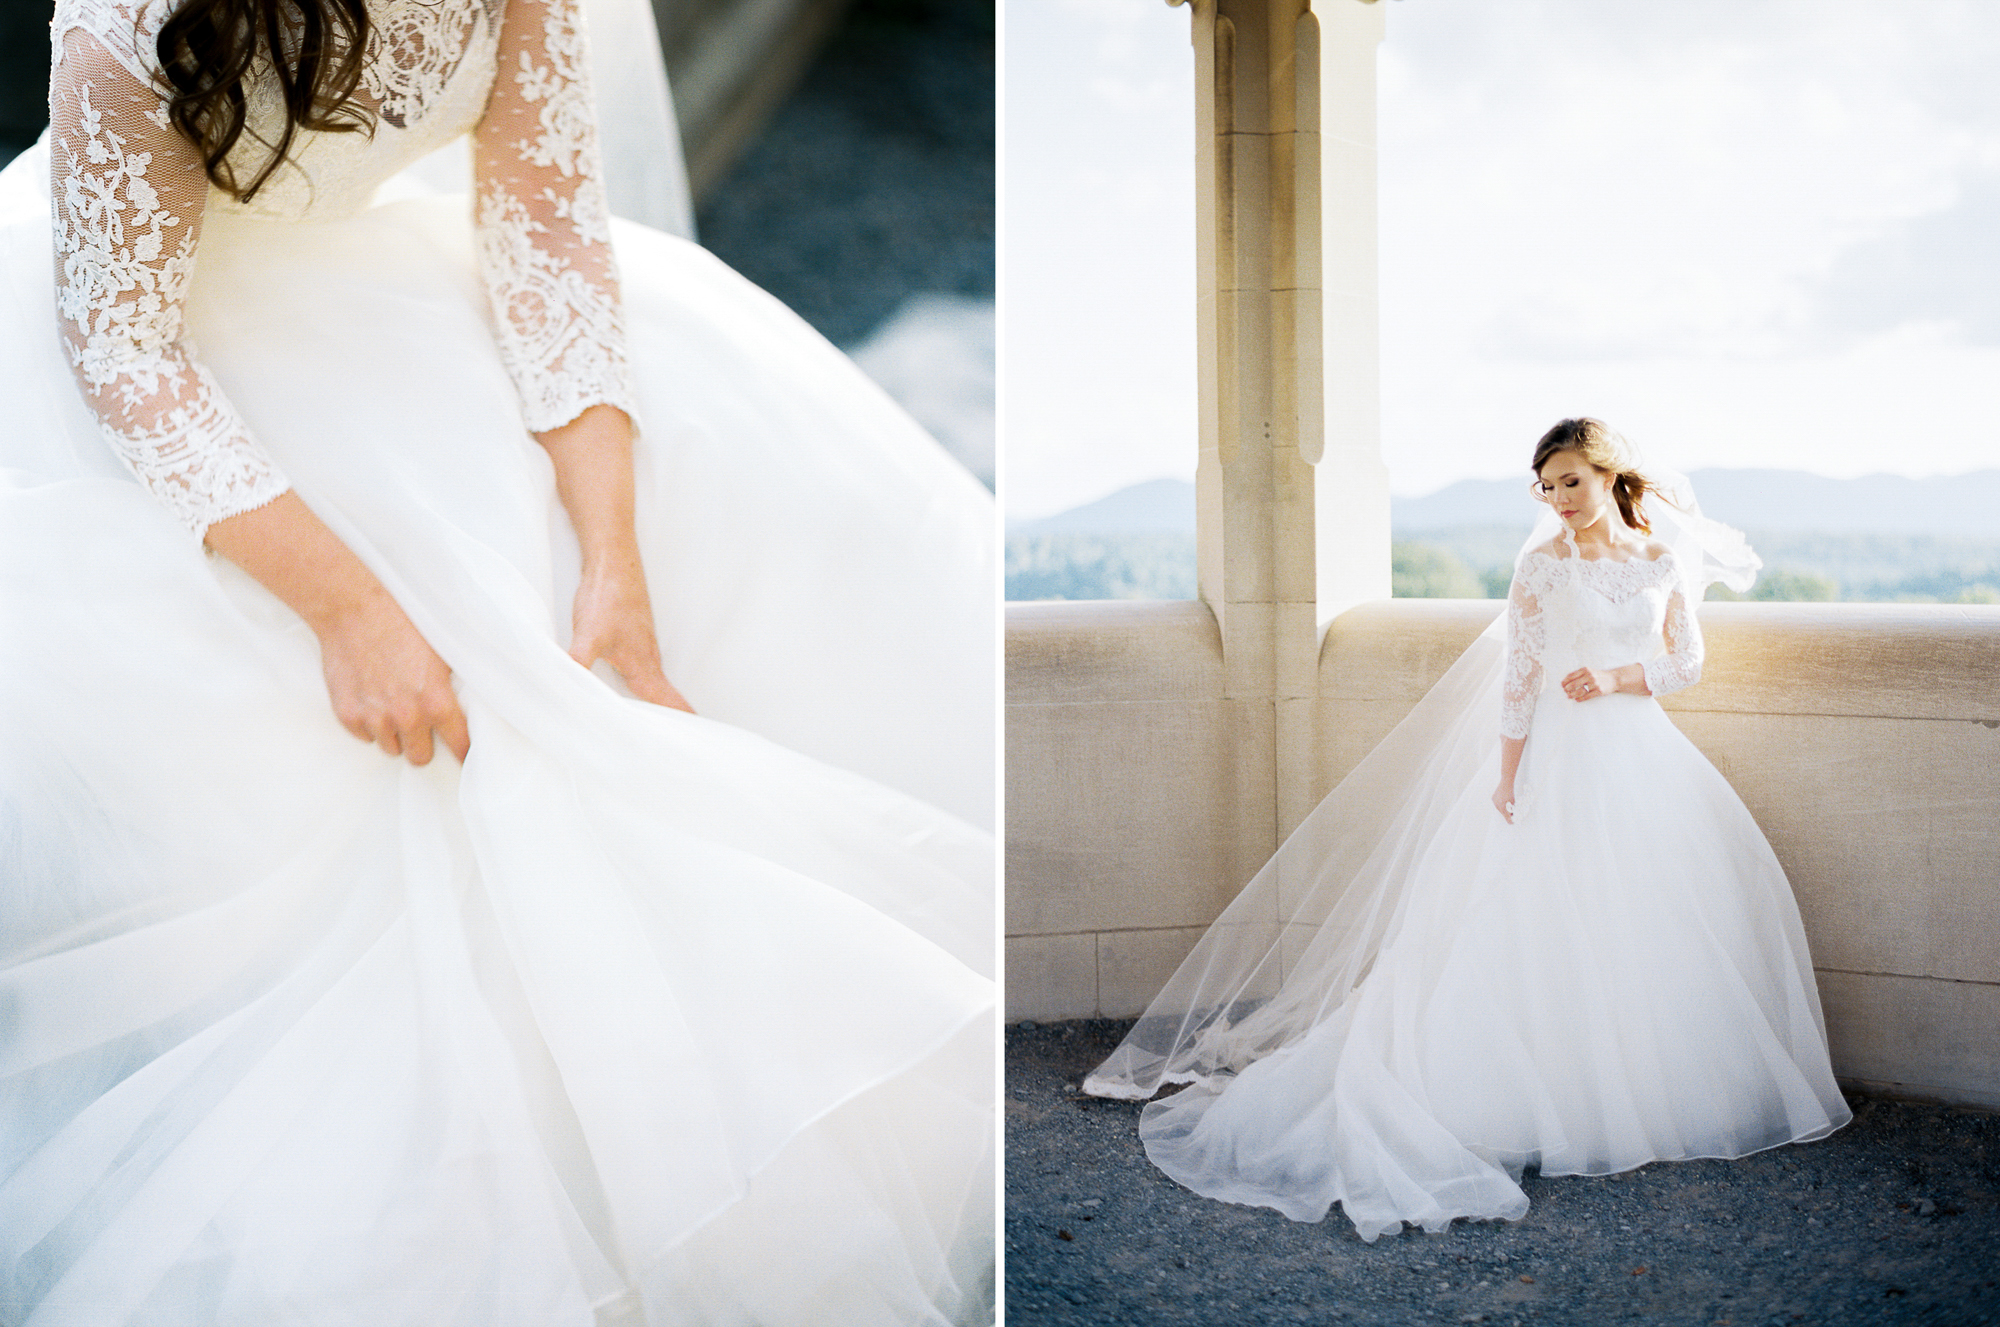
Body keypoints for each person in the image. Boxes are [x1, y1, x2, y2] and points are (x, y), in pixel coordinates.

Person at [1, 1, 995, 1323]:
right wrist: (352, 609)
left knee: (705, 560)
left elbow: (546, 242)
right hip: (162, 334)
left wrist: (612, 562)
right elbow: (124, 352)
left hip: (393, 290)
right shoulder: (134, 17)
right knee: (309, 752)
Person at [1084, 418, 1850, 1242]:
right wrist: (1510, 772)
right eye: (1546, 487)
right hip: (1556, 755)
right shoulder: (1540, 569)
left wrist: (1622, 676)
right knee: (1524, 921)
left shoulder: (1659, 560)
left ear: (1607, 475)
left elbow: (1686, 661)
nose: (1557, 500)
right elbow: (1518, 677)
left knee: (1640, 916)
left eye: (1570, 482)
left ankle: (1640, 1096)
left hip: (1639, 752)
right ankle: (1522, 1096)